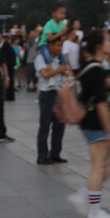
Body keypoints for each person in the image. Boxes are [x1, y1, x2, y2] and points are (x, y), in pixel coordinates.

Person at [74, 28, 110, 218]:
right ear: (98, 46)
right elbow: (101, 103)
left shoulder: (93, 68)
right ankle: (94, 211)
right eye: (108, 41)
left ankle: (85, 194)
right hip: (94, 123)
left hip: (91, 123)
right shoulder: (95, 70)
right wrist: (109, 129)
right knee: (99, 166)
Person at [34, 33, 68, 165]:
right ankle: (42, 156)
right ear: (50, 45)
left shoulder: (59, 59)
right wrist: (60, 69)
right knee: (45, 125)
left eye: (61, 45)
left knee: (59, 125)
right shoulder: (41, 58)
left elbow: (65, 71)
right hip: (47, 94)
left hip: (59, 92)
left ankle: (55, 153)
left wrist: (63, 70)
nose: (60, 48)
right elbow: (45, 74)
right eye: (58, 45)